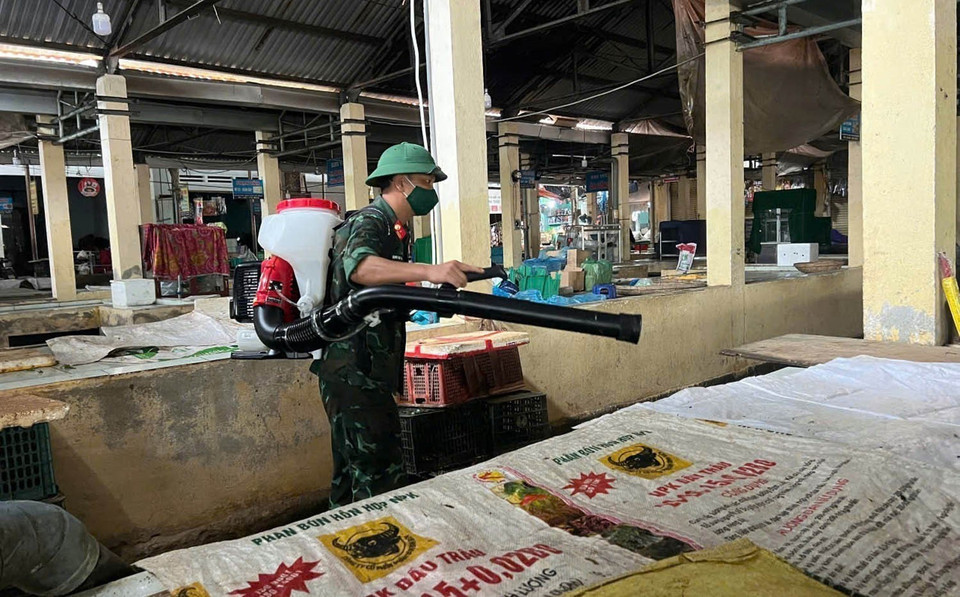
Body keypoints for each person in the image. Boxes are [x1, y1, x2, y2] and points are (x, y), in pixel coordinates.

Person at [312, 142, 483, 509]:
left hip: (365, 370)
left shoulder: (397, 230)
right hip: (353, 370)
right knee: (379, 473)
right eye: (426, 181)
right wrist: (430, 271)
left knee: (352, 473)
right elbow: (360, 268)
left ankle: (343, 534)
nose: (431, 191)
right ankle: (378, 538)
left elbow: (382, 293)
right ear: (401, 183)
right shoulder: (371, 220)